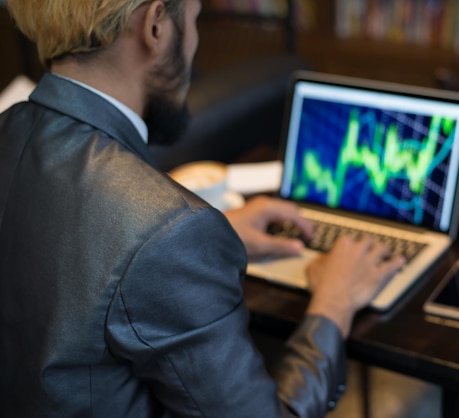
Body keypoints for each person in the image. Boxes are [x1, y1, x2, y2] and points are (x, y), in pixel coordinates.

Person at [0, 1, 406, 417]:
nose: (194, 43)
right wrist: (334, 305)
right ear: (156, 26)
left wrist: (207, 233)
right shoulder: (169, 230)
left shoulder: (9, 128)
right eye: (194, 21)